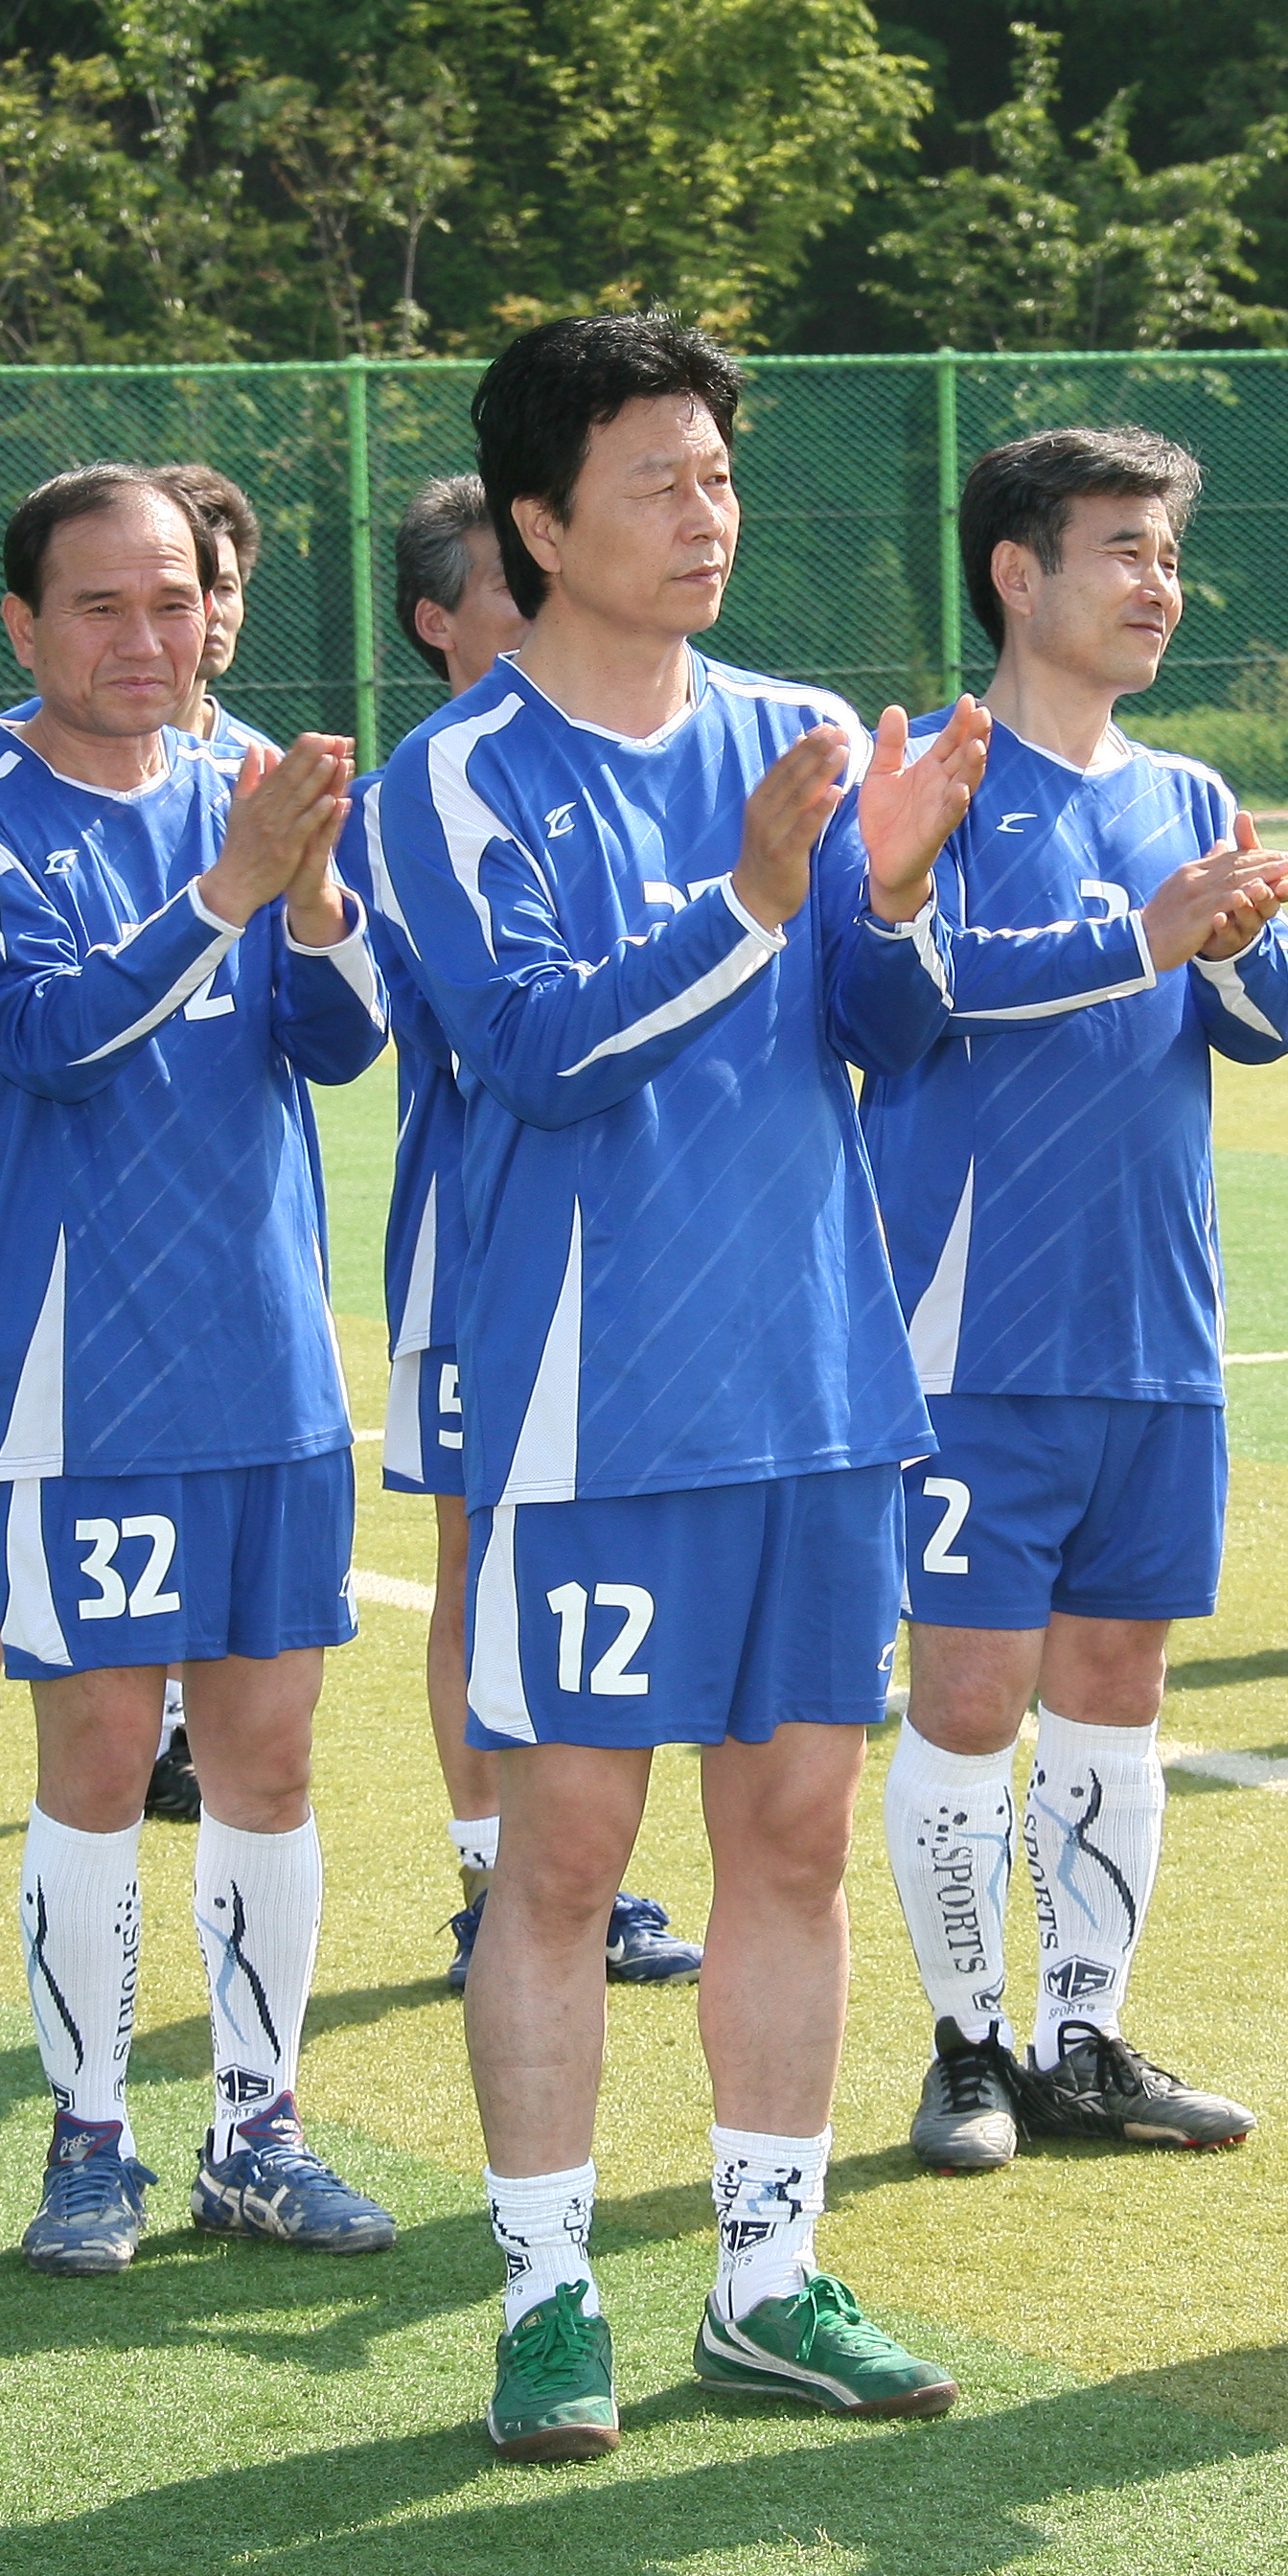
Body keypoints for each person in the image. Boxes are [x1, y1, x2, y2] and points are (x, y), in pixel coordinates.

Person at [375, 313, 990, 2462]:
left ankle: (764, 2270)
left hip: (817, 1385)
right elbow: (532, 1051)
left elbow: (887, 1037)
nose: (706, 510)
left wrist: (889, 885)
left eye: (720, 473)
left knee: (798, 1838)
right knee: (561, 1850)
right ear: (539, 520)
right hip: (585, 1407)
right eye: (656, 477)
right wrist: (753, 884)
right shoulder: (447, 776)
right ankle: (548, 2291)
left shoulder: (806, 726)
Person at [0, 463, 399, 2273]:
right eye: (97, 605)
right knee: (98, 1754)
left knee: (267, 1758)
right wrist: (226, 889)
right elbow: (41, 1040)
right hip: (78, 1374)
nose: (143, 636)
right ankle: (88, 2132)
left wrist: (314, 893)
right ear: (18, 627)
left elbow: (341, 1045)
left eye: (172, 598)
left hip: (267, 1359)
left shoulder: (249, 784)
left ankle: (257, 2126)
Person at [862, 426, 1288, 2175]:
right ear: (1014, 572)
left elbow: (1268, 1024)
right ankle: (966, 2050)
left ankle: (1083, 2035)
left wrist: (1233, 932)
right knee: (967, 1700)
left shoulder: (1189, 791)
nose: (1156, 585)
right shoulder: (934, 781)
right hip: (971, 1342)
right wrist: (1141, 933)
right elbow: (901, 998)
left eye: (1166, 555)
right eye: (1119, 549)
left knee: (1114, 1689)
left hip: (1156, 1331)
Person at [367, 473, 702, 1990]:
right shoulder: (430, 795)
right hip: (483, 1243)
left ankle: (589, 1878)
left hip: (655, 1252)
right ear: (443, 620)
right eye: (511, 590)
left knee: (609, 1561)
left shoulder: (647, 759)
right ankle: (494, 1874)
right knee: (482, 1555)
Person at [153, 462, 286, 757]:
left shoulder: (263, 769)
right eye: (187, 593)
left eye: (225, 588)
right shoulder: (31, 746)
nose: (212, 611)